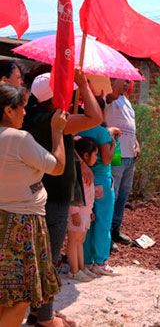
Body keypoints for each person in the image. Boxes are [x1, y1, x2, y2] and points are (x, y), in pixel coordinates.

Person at [23, 69, 102, 327]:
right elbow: (95, 116)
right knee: (49, 258)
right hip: (53, 197)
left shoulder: (33, 116)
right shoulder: (55, 120)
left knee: (40, 256)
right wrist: (83, 85)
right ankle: (44, 317)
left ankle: (39, 310)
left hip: (37, 195)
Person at [0, 83, 67, 327]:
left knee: (4, 296)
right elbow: (58, 167)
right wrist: (57, 131)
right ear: (8, 110)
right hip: (21, 224)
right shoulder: (18, 139)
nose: (25, 113)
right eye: (21, 108)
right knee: (20, 298)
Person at [77, 97, 120, 275]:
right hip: (102, 178)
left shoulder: (77, 128)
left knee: (87, 220)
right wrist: (113, 142)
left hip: (83, 180)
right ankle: (101, 261)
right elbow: (108, 159)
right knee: (103, 221)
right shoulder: (102, 133)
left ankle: (85, 259)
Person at [105, 78, 140, 250]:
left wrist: (136, 143)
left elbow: (130, 126)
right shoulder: (109, 96)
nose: (127, 84)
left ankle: (115, 230)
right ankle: (107, 235)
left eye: (129, 81)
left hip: (129, 156)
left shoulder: (126, 100)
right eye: (124, 80)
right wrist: (114, 88)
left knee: (123, 195)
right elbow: (108, 98)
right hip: (116, 153)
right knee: (113, 194)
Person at [67, 137, 98, 282]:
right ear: (85, 155)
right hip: (77, 212)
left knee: (80, 240)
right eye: (95, 154)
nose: (96, 157)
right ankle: (74, 270)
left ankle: (80, 268)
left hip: (85, 212)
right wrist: (74, 212)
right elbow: (73, 192)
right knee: (73, 240)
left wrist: (90, 211)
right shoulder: (76, 171)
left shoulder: (86, 171)